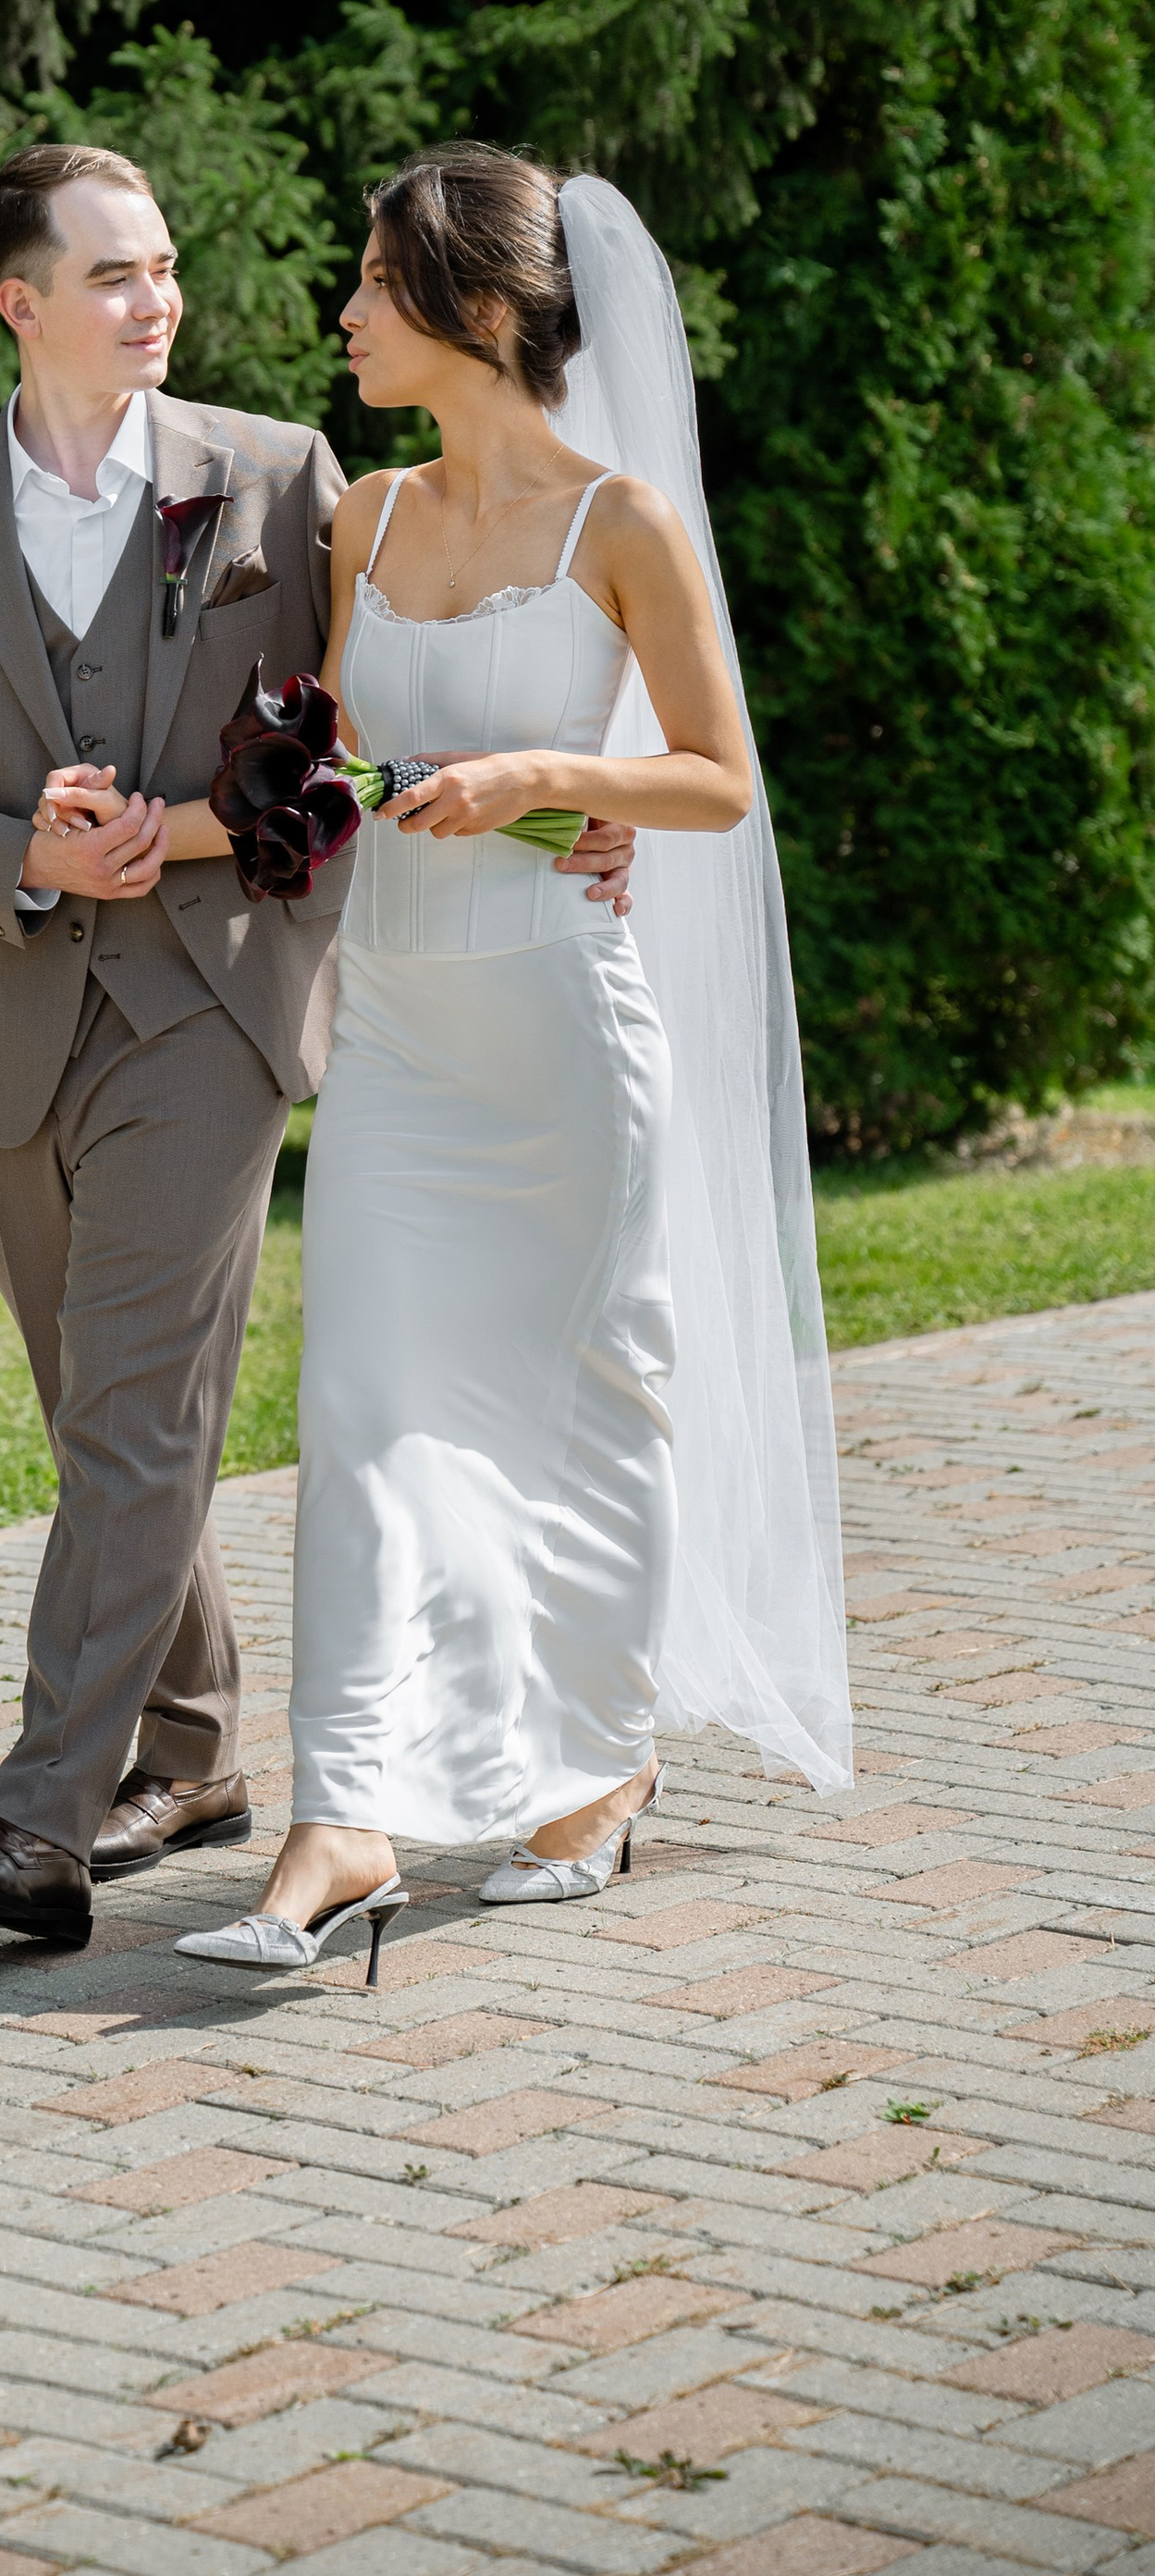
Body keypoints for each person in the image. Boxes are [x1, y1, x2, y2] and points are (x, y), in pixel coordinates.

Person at [0, 141, 636, 1950]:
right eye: (112, 274)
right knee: (98, 1418)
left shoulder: (274, 474)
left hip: (210, 999)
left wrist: (545, 805)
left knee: (133, 1409)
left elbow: (380, 717)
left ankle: (36, 1821)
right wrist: (10, 848)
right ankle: (187, 1756)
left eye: (164, 266)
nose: (155, 298)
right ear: (18, 302)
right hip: (8, 1016)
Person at [162, 149, 850, 1974]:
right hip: (394, 1034)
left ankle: (595, 1772)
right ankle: (340, 1819)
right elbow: (335, 772)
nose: (342, 312)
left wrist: (555, 782)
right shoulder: (364, 519)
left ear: (470, 310)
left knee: (590, 1396)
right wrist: (165, 824)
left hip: (558, 1028)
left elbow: (708, 778)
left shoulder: (616, 523)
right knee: (364, 1421)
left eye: (371, 283)